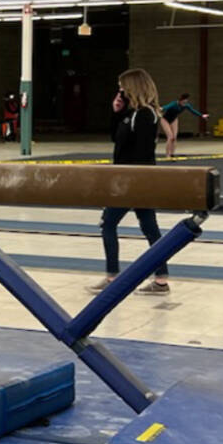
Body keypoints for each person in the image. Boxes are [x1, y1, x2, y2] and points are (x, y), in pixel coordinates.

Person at [89, 68, 176, 295]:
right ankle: (161, 281)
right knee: (149, 228)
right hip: (131, 179)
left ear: (133, 88)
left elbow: (142, 153)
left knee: (108, 223)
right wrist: (116, 112)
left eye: (122, 87)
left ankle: (112, 276)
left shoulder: (145, 115)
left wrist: (129, 184)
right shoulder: (132, 113)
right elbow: (116, 140)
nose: (119, 91)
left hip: (133, 181)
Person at [161, 93, 207, 158]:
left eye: (186, 102)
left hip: (174, 119)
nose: (184, 104)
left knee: (174, 137)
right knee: (170, 137)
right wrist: (161, 108)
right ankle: (167, 155)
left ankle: (172, 154)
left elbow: (193, 111)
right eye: (183, 102)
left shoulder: (186, 105)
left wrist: (202, 115)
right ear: (180, 101)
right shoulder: (174, 104)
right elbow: (167, 107)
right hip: (165, 119)